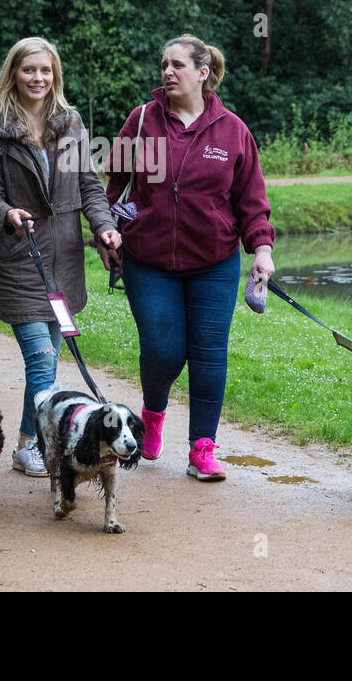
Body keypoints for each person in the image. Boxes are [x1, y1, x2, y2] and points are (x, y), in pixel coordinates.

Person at [105, 35, 275, 482]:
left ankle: (202, 448)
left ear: (203, 72)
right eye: (164, 64)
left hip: (214, 262)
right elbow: (112, 187)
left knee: (209, 353)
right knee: (163, 348)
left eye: (178, 64)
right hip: (148, 259)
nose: (168, 71)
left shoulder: (233, 130)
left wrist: (261, 250)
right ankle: (153, 412)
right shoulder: (142, 121)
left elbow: (252, 201)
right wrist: (110, 231)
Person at [0, 37, 121, 476]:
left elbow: (89, 186)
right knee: (41, 358)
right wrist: (7, 213)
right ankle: (49, 446)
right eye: (28, 70)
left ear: (55, 75)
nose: (37, 78)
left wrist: (104, 226)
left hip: (64, 261)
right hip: (21, 259)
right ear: (13, 74)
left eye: (45, 70)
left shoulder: (70, 123)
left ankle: (25, 445)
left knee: (48, 362)